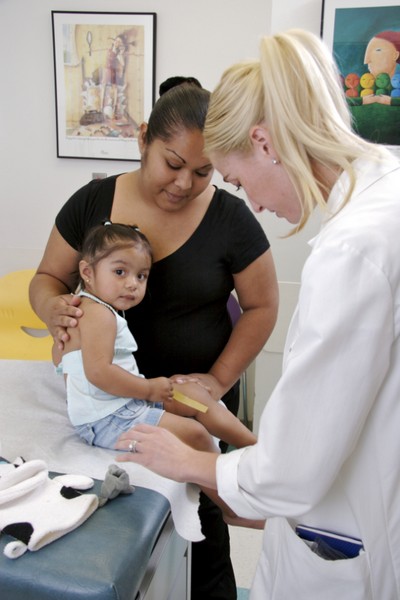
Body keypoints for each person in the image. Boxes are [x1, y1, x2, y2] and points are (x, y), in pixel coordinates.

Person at [115, 29, 400, 599]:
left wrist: (194, 463)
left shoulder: (354, 250)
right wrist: (227, 430)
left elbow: (293, 472)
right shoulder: (384, 196)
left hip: (351, 542)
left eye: (239, 180)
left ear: (265, 143)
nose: (257, 204)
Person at [29, 80, 278, 600]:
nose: (186, 183)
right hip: (109, 401)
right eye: (172, 163)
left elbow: (262, 306)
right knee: (120, 546)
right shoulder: (92, 201)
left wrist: (217, 379)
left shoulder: (230, 219)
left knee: (204, 541)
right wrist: (54, 308)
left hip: (190, 398)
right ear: (143, 139)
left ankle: (259, 482)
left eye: (204, 170)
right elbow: (47, 280)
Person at [53, 221, 256, 457]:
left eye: (141, 276)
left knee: (194, 395)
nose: (132, 284)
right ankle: (230, 485)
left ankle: (256, 449)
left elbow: (59, 358)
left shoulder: (83, 312)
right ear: (87, 272)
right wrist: (148, 389)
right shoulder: (97, 314)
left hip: (126, 404)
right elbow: (98, 373)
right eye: (120, 272)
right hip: (107, 420)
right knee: (195, 434)